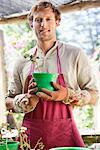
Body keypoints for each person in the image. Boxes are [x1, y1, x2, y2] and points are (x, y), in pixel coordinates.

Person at [5, 1, 98, 150]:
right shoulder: (22, 60)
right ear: (31, 24)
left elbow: (94, 95)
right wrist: (22, 102)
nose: (43, 24)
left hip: (65, 136)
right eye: (38, 20)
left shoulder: (74, 55)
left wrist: (67, 94)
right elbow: (7, 101)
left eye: (48, 19)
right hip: (30, 136)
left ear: (57, 22)